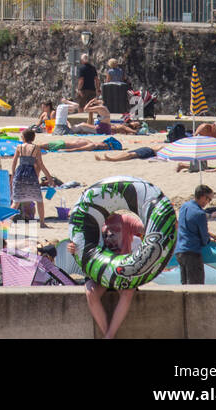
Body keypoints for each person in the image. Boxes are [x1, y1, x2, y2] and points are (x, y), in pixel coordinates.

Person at [68, 210, 144, 339]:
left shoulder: (125, 220)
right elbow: (82, 246)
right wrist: (73, 249)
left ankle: (109, 336)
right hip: (99, 271)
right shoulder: (92, 222)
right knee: (91, 292)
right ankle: (109, 336)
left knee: (128, 292)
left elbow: (145, 228)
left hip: (120, 270)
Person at [175, 185, 216, 284]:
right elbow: (204, 239)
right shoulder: (200, 213)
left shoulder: (184, 206)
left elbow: (186, 227)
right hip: (192, 252)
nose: (208, 203)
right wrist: (209, 240)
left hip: (179, 251)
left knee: (185, 286)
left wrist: (210, 234)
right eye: (209, 199)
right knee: (195, 286)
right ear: (203, 197)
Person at [11, 129, 53, 228]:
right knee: (39, 200)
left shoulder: (19, 147)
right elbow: (41, 164)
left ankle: (7, 221)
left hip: (20, 173)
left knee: (16, 201)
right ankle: (42, 223)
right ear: (33, 138)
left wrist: (13, 174)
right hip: (31, 174)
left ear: (24, 137)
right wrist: (49, 177)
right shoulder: (36, 148)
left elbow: (14, 162)